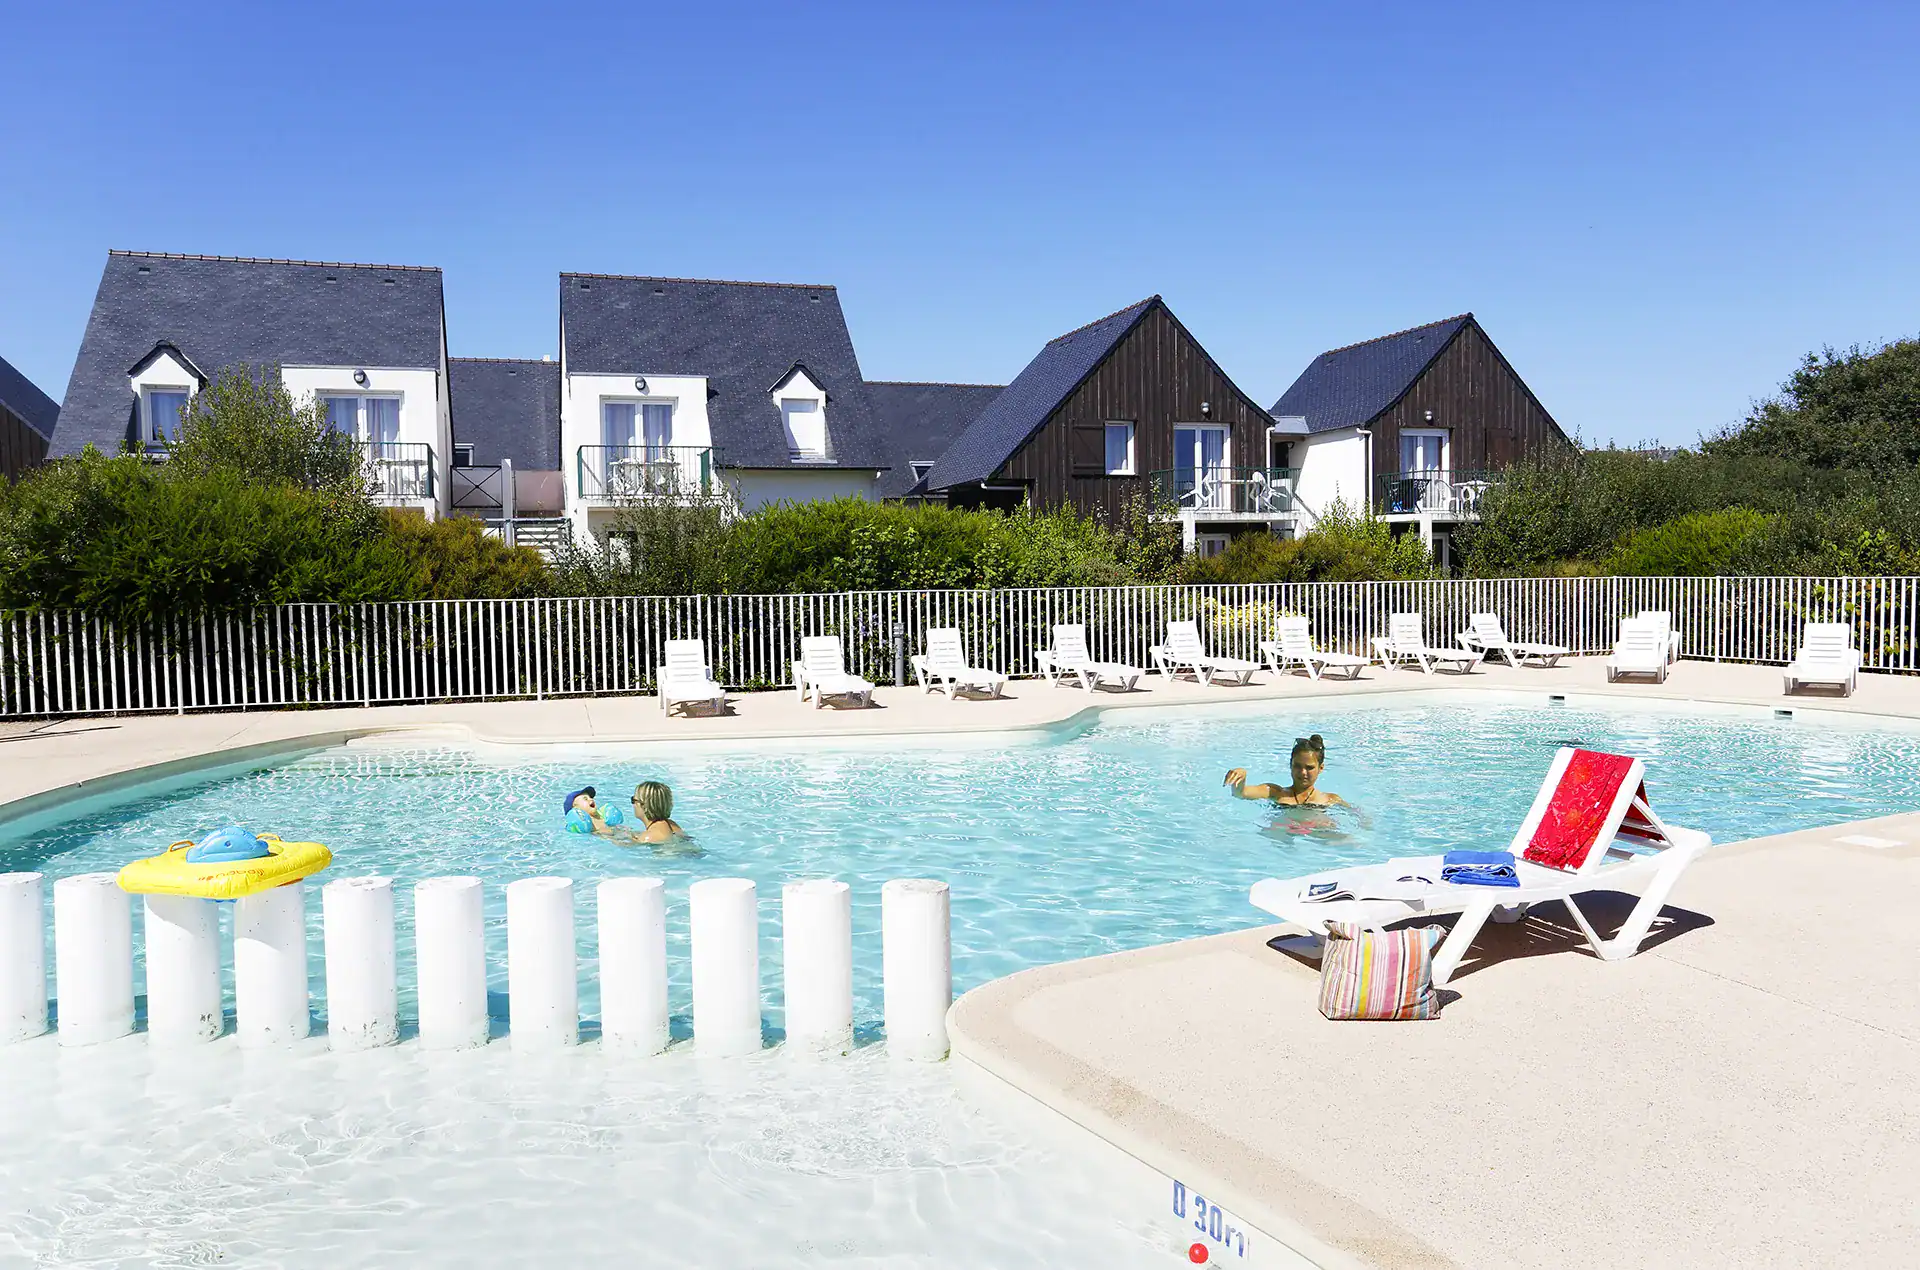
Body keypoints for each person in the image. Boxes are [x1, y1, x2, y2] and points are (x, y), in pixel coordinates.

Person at [1223, 734, 1351, 809]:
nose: (1303, 772)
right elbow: (1240, 794)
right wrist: (1241, 776)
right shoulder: (1274, 792)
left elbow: (1360, 817)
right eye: (1297, 766)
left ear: (1321, 768)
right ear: (1290, 765)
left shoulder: (1330, 799)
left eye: (1309, 767)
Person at [628, 780, 687, 845]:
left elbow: (628, 845)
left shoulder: (648, 838)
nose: (633, 804)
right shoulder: (672, 825)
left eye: (633, 800)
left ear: (644, 805)